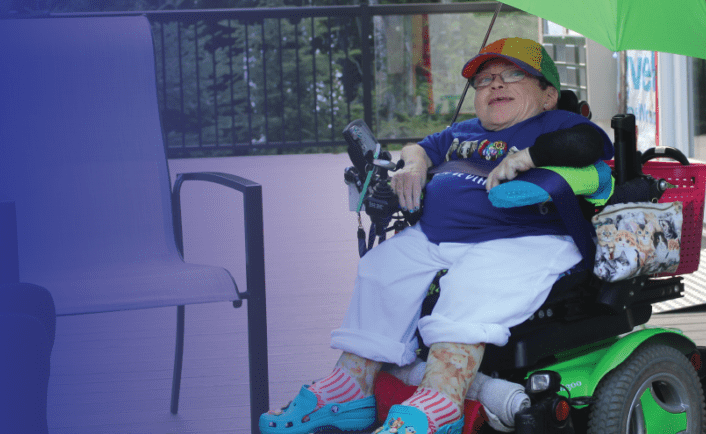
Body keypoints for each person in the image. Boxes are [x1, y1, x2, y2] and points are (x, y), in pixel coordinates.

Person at [260, 37, 614, 434]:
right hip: (439, 237)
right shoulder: (465, 131)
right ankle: (351, 387)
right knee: (382, 268)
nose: (495, 85)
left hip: (522, 239)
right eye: (483, 80)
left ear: (548, 94)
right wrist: (413, 164)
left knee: (471, 286)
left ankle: (443, 400)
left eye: (513, 75)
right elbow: (420, 147)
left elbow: (590, 144)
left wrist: (525, 157)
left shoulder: (556, 123)